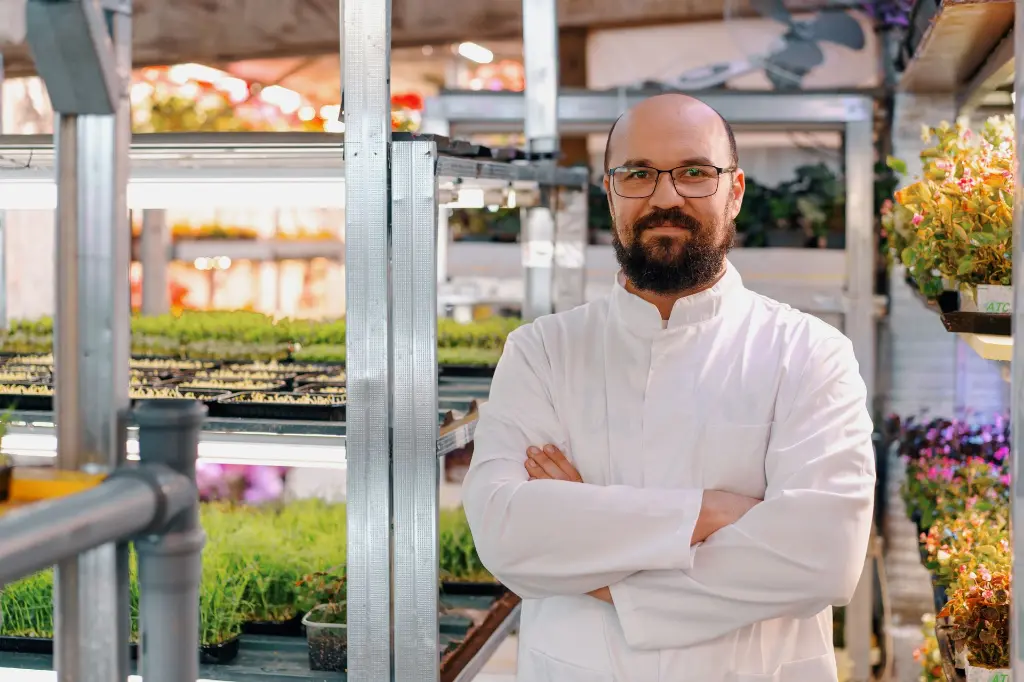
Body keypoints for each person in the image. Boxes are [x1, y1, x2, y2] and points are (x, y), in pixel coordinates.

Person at [461, 93, 876, 682]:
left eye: (693, 172)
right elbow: (507, 533)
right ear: (610, 193)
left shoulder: (810, 353)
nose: (664, 196)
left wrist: (593, 559)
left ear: (734, 192)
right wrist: (712, 512)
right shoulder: (542, 352)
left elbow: (823, 560)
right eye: (637, 174)